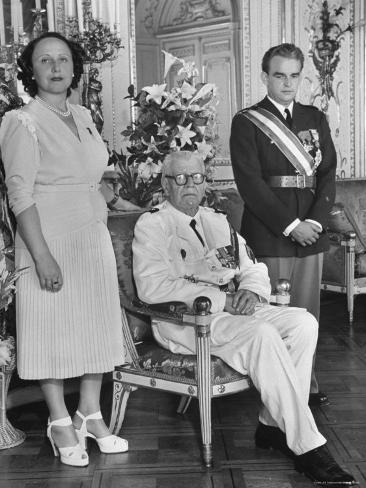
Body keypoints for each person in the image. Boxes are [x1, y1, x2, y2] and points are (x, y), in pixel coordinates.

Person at [132, 151, 356, 486]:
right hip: (187, 321)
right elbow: (153, 287)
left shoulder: (217, 220)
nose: (189, 184)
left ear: (205, 181)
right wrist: (224, 300)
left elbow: (252, 268)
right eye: (179, 178)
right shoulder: (153, 225)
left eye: (196, 177)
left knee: (302, 323)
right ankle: (308, 447)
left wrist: (251, 290)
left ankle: (271, 425)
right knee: (263, 333)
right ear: (166, 184)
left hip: (233, 311)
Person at [0, 32, 128, 467]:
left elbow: (91, 178)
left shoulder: (85, 115)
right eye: (44, 61)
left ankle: (90, 413)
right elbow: (20, 196)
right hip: (47, 239)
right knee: (51, 331)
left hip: (93, 237)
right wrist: (41, 256)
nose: (55, 68)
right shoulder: (21, 121)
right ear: (30, 71)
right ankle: (59, 422)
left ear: (75, 68)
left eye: (62, 60)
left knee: (96, 327)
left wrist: (119, 200)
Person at [230, 43, 337, 407]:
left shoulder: (315, 118)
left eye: (294, 75)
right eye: (279, 75)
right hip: (270, 230)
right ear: (265, 77)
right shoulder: (247, 121)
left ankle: (304, 382)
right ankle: (273, 390)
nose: (287, 83)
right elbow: (250, 184)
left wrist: (316, 223)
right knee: (276, 312)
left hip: (311, 229)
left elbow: (327, 175)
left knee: (307, 313)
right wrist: (291, 225)